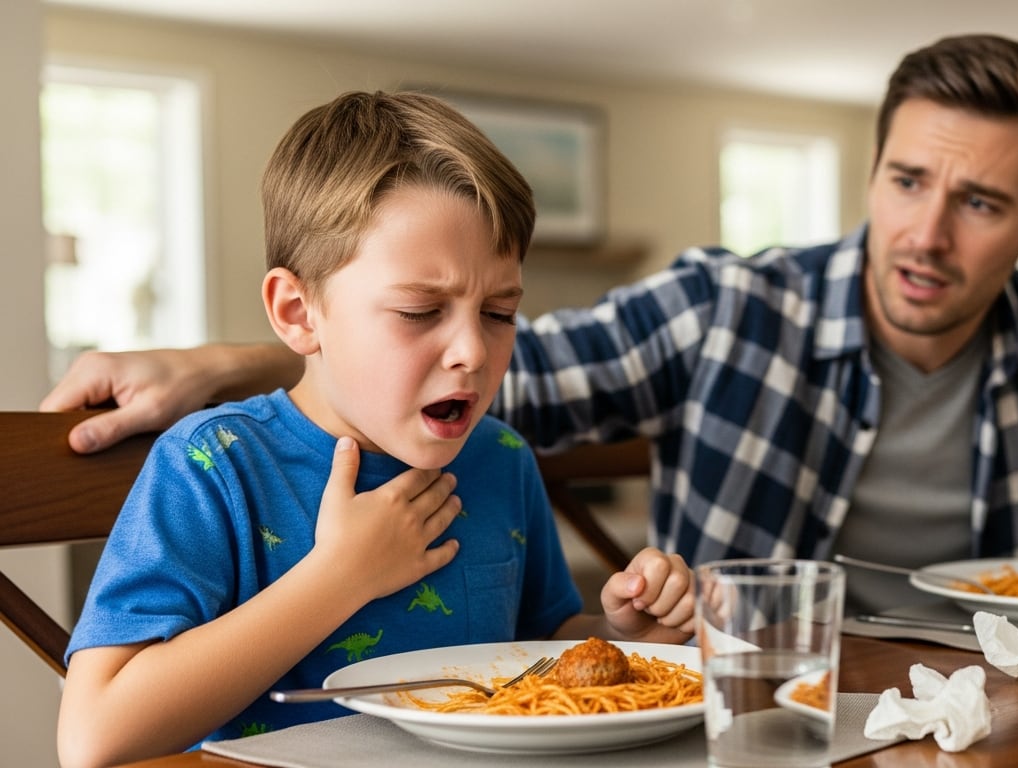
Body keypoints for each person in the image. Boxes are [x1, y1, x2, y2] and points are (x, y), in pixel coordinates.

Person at [43, 34, 1018, 616]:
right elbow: (497, 373)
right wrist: (242, 362)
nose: (926, 233)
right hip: (754, 712)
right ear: (872, 176)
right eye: (906, 182)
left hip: (989, 710)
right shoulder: (729, 308)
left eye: (980, 202)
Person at [55, 91, 694, 768]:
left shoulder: (502, 458)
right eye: (420, 311)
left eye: (500, 313)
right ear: (299, 312)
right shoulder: (216, 466)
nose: (473, 352)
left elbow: (541, 641)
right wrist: (339, 578)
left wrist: (624, 636)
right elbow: (96, 736)